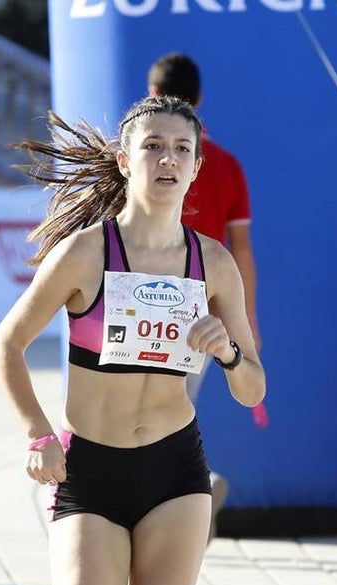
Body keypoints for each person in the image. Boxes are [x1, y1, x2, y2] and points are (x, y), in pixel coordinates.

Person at [0, 95, 265, 585]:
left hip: (176, 469)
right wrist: (35, 431)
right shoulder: (87, 253)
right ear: (125, 158)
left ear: (198, 168)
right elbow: (8, 343)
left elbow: (255, 387)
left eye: (181, 148)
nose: (167, 158)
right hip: (92, 473)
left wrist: (229, 351)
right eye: (152, 146)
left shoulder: (213, 267)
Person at [147, 51, 260, 541]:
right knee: (174, 403)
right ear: (201, 97)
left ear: (151, 96)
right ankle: (193, 485)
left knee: (155, 408)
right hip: (206, 311)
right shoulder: (228, 165)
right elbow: (241, 250)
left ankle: (187, 488)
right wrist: (246, 322)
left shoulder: (142, 158)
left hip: (141, 299)